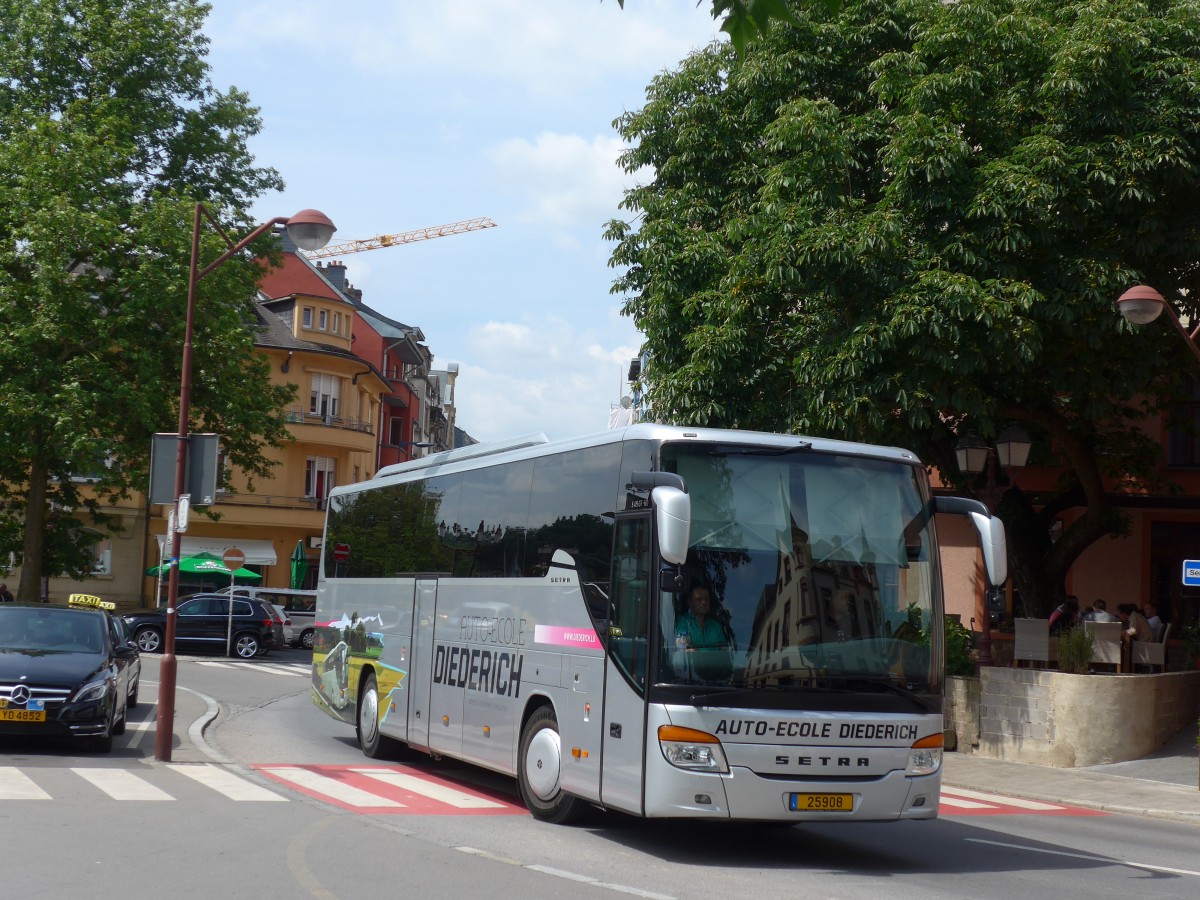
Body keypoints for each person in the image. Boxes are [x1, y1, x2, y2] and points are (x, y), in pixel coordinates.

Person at [674, 585, 732, 680]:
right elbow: (683, 649)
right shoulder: (682, 621)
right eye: (699, 599)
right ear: (690, 602)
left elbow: (725, 653)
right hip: (689, 677)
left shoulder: (716, 626)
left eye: (706, 599)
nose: (704, 602)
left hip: (716, 678)